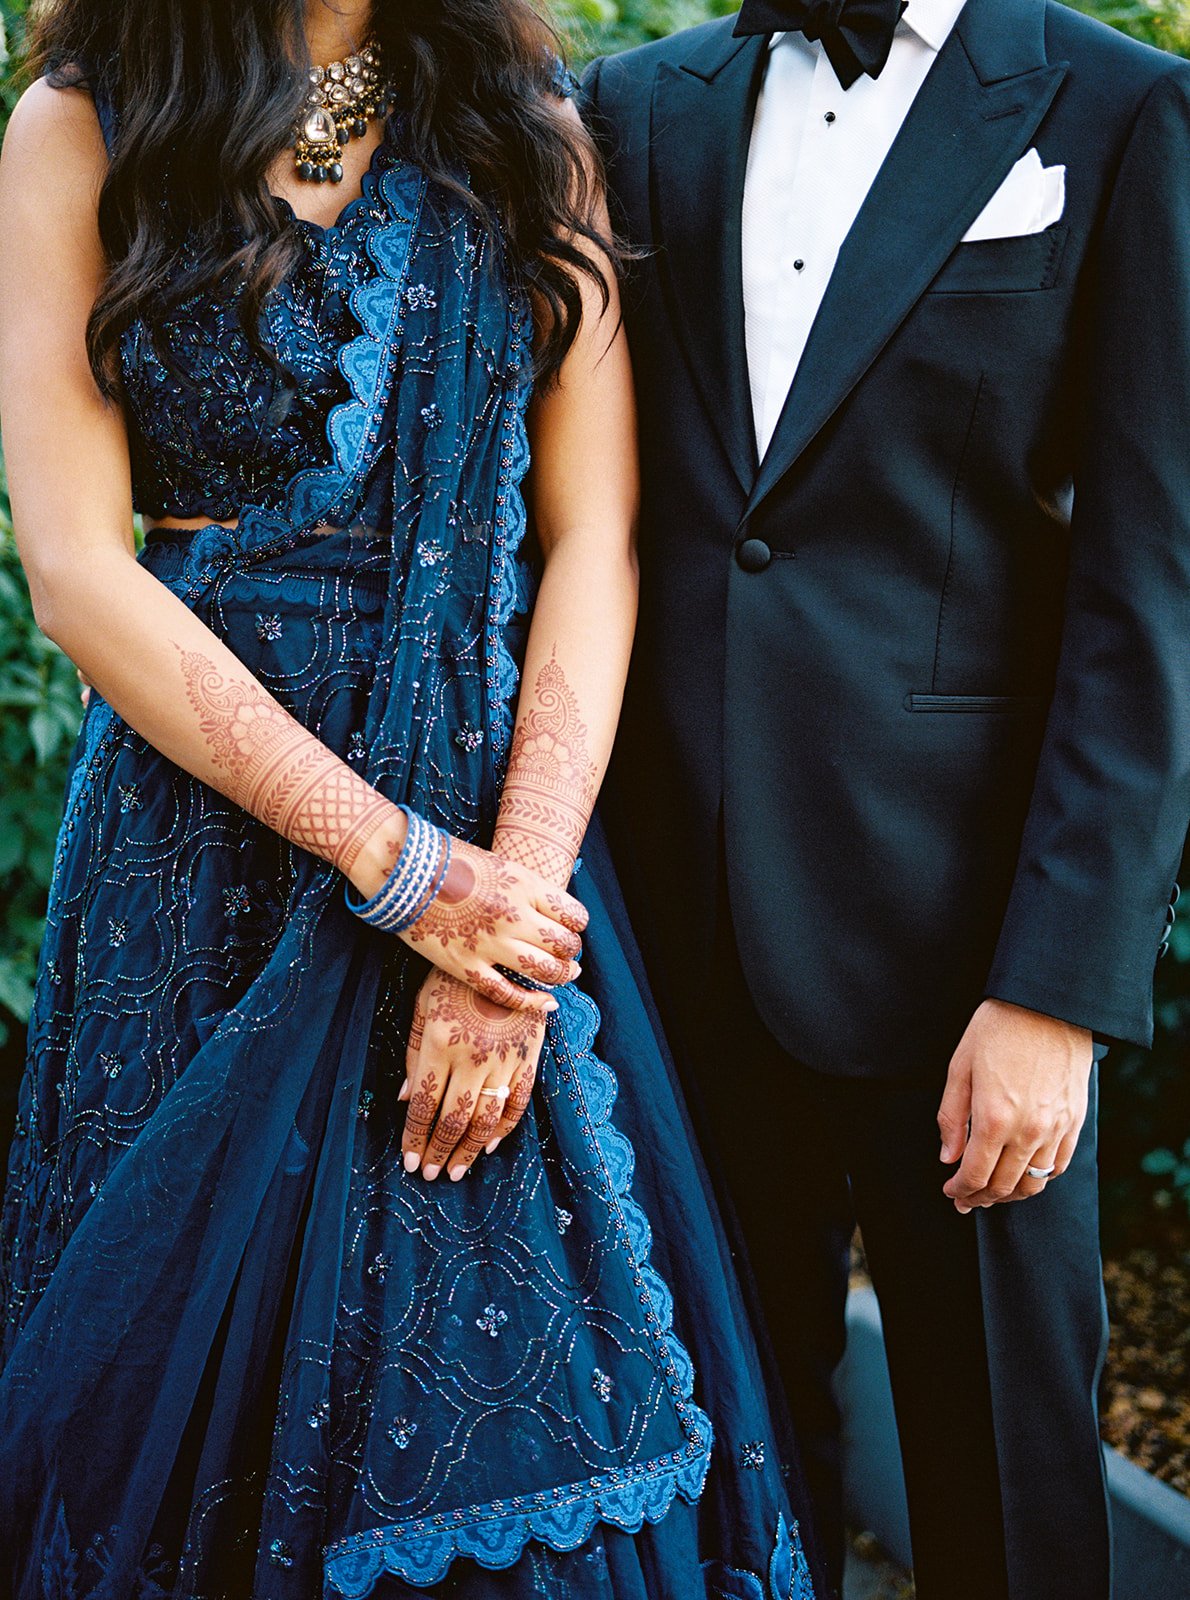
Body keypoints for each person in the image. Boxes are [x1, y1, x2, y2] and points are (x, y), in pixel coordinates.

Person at [0, 3, 823, 1596]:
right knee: (182, 1407)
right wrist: (403, 873)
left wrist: (506, 912)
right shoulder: (86, 123)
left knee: (519, 1398)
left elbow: (593, 538)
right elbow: (78, 568)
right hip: (198, 865)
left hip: (496, 829)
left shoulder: (519, 123)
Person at [580, 1, 1190, 1597]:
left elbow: (1151, 597)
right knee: (718, 1481)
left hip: (963, 955)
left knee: (1006, 1489)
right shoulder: (631, 112)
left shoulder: (1120, 114)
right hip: (669, 944)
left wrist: (1056, 994)